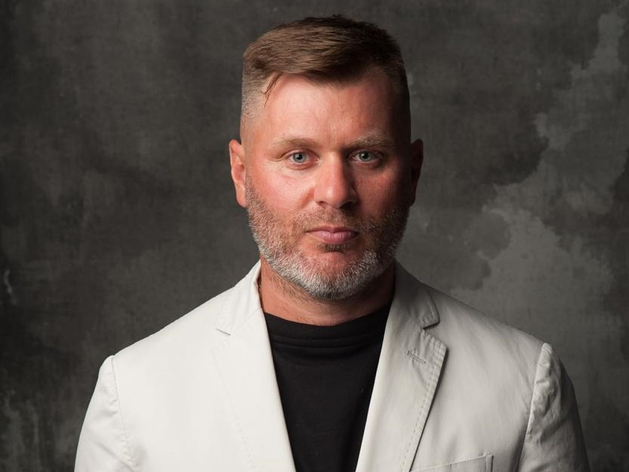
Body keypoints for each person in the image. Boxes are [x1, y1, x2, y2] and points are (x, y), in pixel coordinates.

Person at [75, 16, 590, 472]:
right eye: (299, 157)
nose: (336, 193)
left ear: (412, 173)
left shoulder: (524, 384)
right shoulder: (134, 396)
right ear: (241, 173)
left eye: (366, 155)